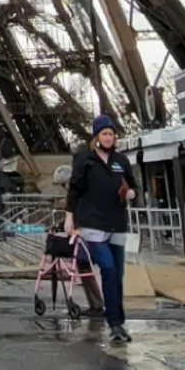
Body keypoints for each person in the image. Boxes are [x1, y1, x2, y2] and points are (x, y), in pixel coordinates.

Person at [64, 113, 136, 346]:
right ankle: (114, 322)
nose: (108, 137)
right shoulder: (84, 159)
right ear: (96, 137)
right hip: (92, 223)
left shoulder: (121, 161)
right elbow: (74, 188)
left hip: (116, 221)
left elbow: (134, 185)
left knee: (119, 275)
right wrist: (69, 217)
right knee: (108, 268)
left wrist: (131, 192)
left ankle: (117, 323)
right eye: (104, 133)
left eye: (111, 134)